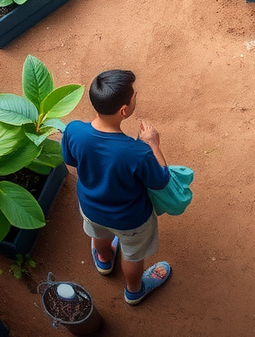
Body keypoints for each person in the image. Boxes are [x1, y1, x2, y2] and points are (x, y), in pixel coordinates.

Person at [62, 70, 173, 306]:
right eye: (134, 97)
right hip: (130, 220)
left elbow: (71, 160)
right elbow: (161, 180)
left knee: (99, 234)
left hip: (91, 209)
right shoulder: (137, 152)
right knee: (133, 254)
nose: (135, 98)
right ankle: (134, 290)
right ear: (124, 110)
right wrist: (153, 144)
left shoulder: (72, 130)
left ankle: (104, 260)